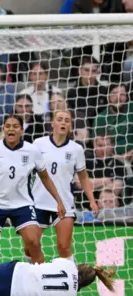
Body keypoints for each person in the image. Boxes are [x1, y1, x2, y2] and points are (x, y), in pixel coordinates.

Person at [0, 114, 66, 287]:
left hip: (22, 205)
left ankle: (40, 285)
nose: (11, 129)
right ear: (3, 129)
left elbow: (45, 178)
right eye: (8, 126)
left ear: (21, 130)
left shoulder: (32, 151)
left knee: (33, 242)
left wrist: (59, 201)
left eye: (15, 126)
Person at [32, 110, 99, 261]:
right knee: (31, 247)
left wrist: (92, 200)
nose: (63, 122)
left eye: (67, 121)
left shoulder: (76, 149)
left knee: (64, 247)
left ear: (70, 126)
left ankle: (73, 282)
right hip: (39, 202)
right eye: (60, 119)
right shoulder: (38, 144)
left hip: (64, 203)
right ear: (52, 123)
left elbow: (83, 177)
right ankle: (38, 277)